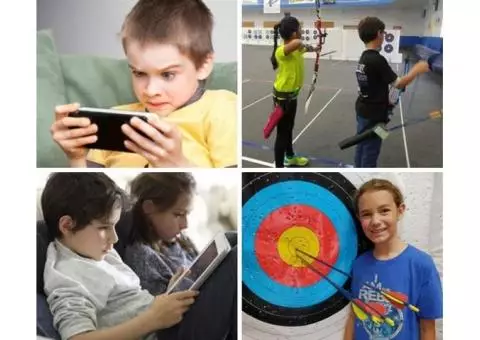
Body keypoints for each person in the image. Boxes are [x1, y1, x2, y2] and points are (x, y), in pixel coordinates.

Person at [41, 173, 237, 340]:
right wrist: (153, 319)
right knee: (235, 260)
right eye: (104, 227)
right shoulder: (66, 278)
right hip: (165, 334)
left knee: (231, 239)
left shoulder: (94, 250)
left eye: (113, 226)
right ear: (67, 225)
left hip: (166, 322)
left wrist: (167, 295)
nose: (115, 237)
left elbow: (132, 304)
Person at [50, 0, 236, 168]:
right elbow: (92, 192)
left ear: (203, 65)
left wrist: (178, 164)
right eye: (139, 73)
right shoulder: (115, 119)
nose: (150, 91)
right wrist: (76, 158)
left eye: (168, 74)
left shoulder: (222, 107)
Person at [343, 178, 442, 340]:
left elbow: (427, 329)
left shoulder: (421, 265)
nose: (375, 221)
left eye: (384, 211)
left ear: (400, 210)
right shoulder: (359, 264)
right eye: (366, 214)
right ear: (359, 218)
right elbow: (354, 316)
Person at [354, 17, 430, 168]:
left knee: (362, 143)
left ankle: (358, 166)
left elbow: (368, 84)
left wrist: (384, 100)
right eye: (383, 33)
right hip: (374, 116)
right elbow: (399, 83)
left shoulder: (364, 57)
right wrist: (416, 70)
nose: (383, 37)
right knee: (371, 150)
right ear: (378, 33)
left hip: (363, 110)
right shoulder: (377, 59)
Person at [270, 15, 321, 168]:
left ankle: (290, 156)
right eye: (299, 29)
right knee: (282, 134)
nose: (301, 31)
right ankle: (279, 167)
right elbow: (298, 43)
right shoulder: (281, 51)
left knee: (288, 128)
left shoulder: (296, 48)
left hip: (291, 96)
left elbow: (303, 47)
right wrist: (300, 42)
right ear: (293, 34)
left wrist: (315, 48)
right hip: (282, 98)